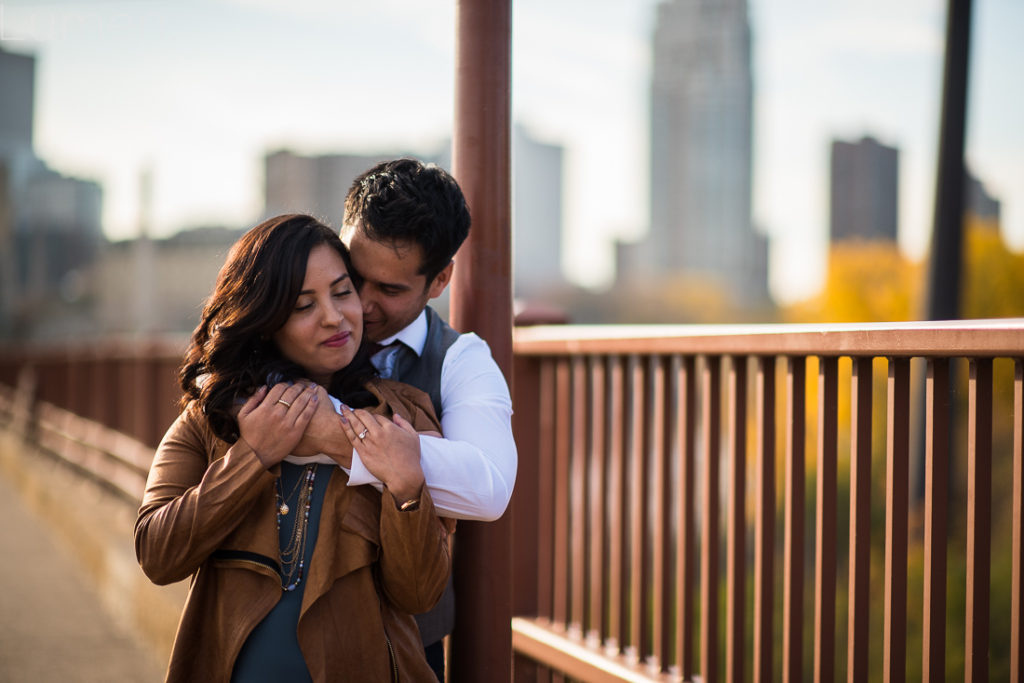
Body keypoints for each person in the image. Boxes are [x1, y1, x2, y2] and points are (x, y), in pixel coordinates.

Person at [134, 214, 450, 682]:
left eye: (343, 293)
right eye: (304, 305)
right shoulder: (211, 419)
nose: (333, 316)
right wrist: (251, 457)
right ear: (264, 321)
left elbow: (419, 595)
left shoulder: (403, 417)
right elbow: (158, 554)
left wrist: (406, 488)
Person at [340, 157, 517, 679]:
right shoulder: (289, 322)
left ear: (440, 280)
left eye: (390, 290)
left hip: (410, 645)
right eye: (354, 278)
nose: (361, 306)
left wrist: (336, 436)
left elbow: (487, 489)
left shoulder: (462, 359)